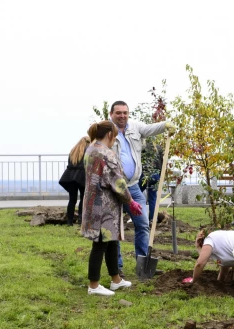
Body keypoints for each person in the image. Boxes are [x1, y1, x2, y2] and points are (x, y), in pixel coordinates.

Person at [109, 101, 175, 276]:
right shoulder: (107, 131)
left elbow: (150, 129)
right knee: (115, 228)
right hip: (114, 190)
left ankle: (143, 265)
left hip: (134, 187)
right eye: (118, 113)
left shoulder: (135, 127)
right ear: (111, 114)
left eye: (125, 113)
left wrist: (165, 125)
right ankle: (117, 267)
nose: (122, 116)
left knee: (143, 224)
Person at [81, 121, 143, 296]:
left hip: (94, 202)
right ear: (110, 135)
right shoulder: (106, 154)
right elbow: (118, 182)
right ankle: (94, 285)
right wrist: (131, 201)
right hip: (104, 206)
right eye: (115, 135)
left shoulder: (91, 150)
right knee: (100, 243)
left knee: (111, 242)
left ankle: (116, 280)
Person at [59, 136, 91, 225]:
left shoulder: (73, 151)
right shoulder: (88, 150)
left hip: (70, 176)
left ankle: (69, 221)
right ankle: (81, 219)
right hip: (82, 176)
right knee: (83, 198)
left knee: (72, 200)